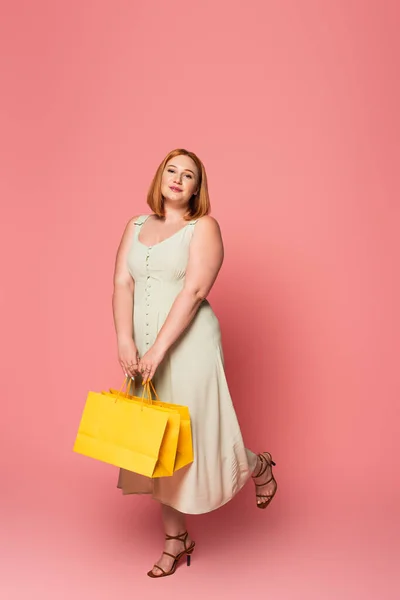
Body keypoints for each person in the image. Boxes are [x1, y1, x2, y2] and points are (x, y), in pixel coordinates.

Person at [112, 148, 277, 578]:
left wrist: (156, 352)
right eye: (172, 170)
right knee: (157, 444)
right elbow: (122, 282)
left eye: (189, 175)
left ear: (197, 188)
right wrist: (125, 340)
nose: (178, 179)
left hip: (189, 347)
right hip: (143, 349)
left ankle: (258, 465)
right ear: (160, 176)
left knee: (200, 439)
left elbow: (194, 293)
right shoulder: (135, 226)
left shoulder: (203, 228)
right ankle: (176, 540)